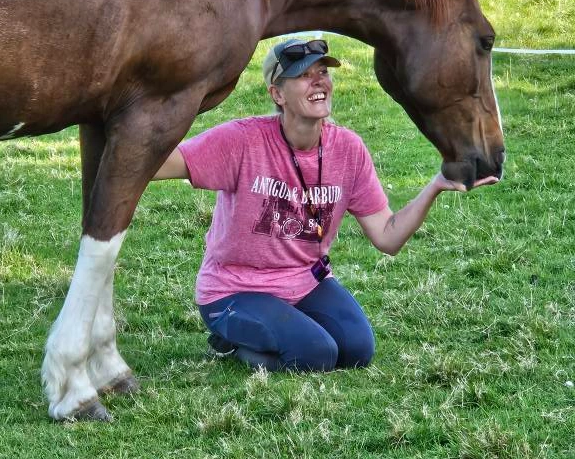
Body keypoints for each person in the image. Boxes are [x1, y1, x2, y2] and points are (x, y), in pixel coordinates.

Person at [153, 38, 497, 372]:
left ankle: (284, 330)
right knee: (316, 353)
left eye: (323, 72)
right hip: (234, 291)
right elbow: (164, 163)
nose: (318, 81)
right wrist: (118, 149)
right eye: (304, 75)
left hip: (306, 282)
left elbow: (387, 237)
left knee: (357, 350)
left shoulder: (348, 149)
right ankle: (231, 344)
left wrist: (436, 185)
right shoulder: (243, 141)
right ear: (277, 94)